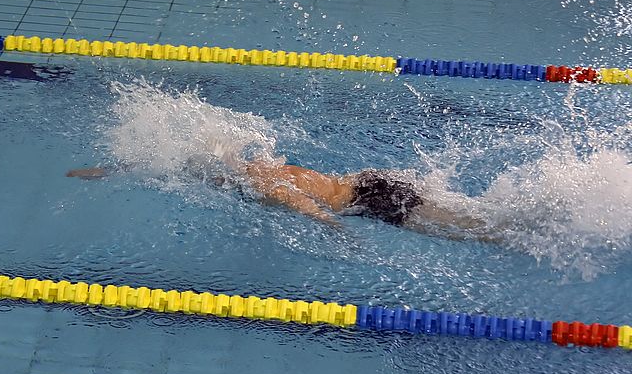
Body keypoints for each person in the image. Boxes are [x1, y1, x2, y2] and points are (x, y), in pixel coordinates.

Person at [67, 144, 489, 238]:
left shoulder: (258, 182)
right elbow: (166, 164)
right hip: (366, 180)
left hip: (366, 201)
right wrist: (101, 170)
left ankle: (507, 235)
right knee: (455, 210)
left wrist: (336, 231)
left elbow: (301, 203)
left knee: (466, 228)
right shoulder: (252, 163)